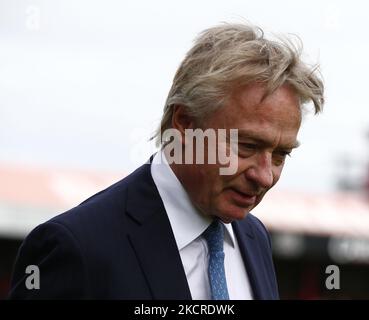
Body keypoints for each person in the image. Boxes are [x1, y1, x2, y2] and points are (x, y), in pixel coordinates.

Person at [8, 23, 324, 300]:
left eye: (281, 154)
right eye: (246, 146)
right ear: (185, 124)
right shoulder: (77, 248)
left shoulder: (254, 238)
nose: (265, 176)